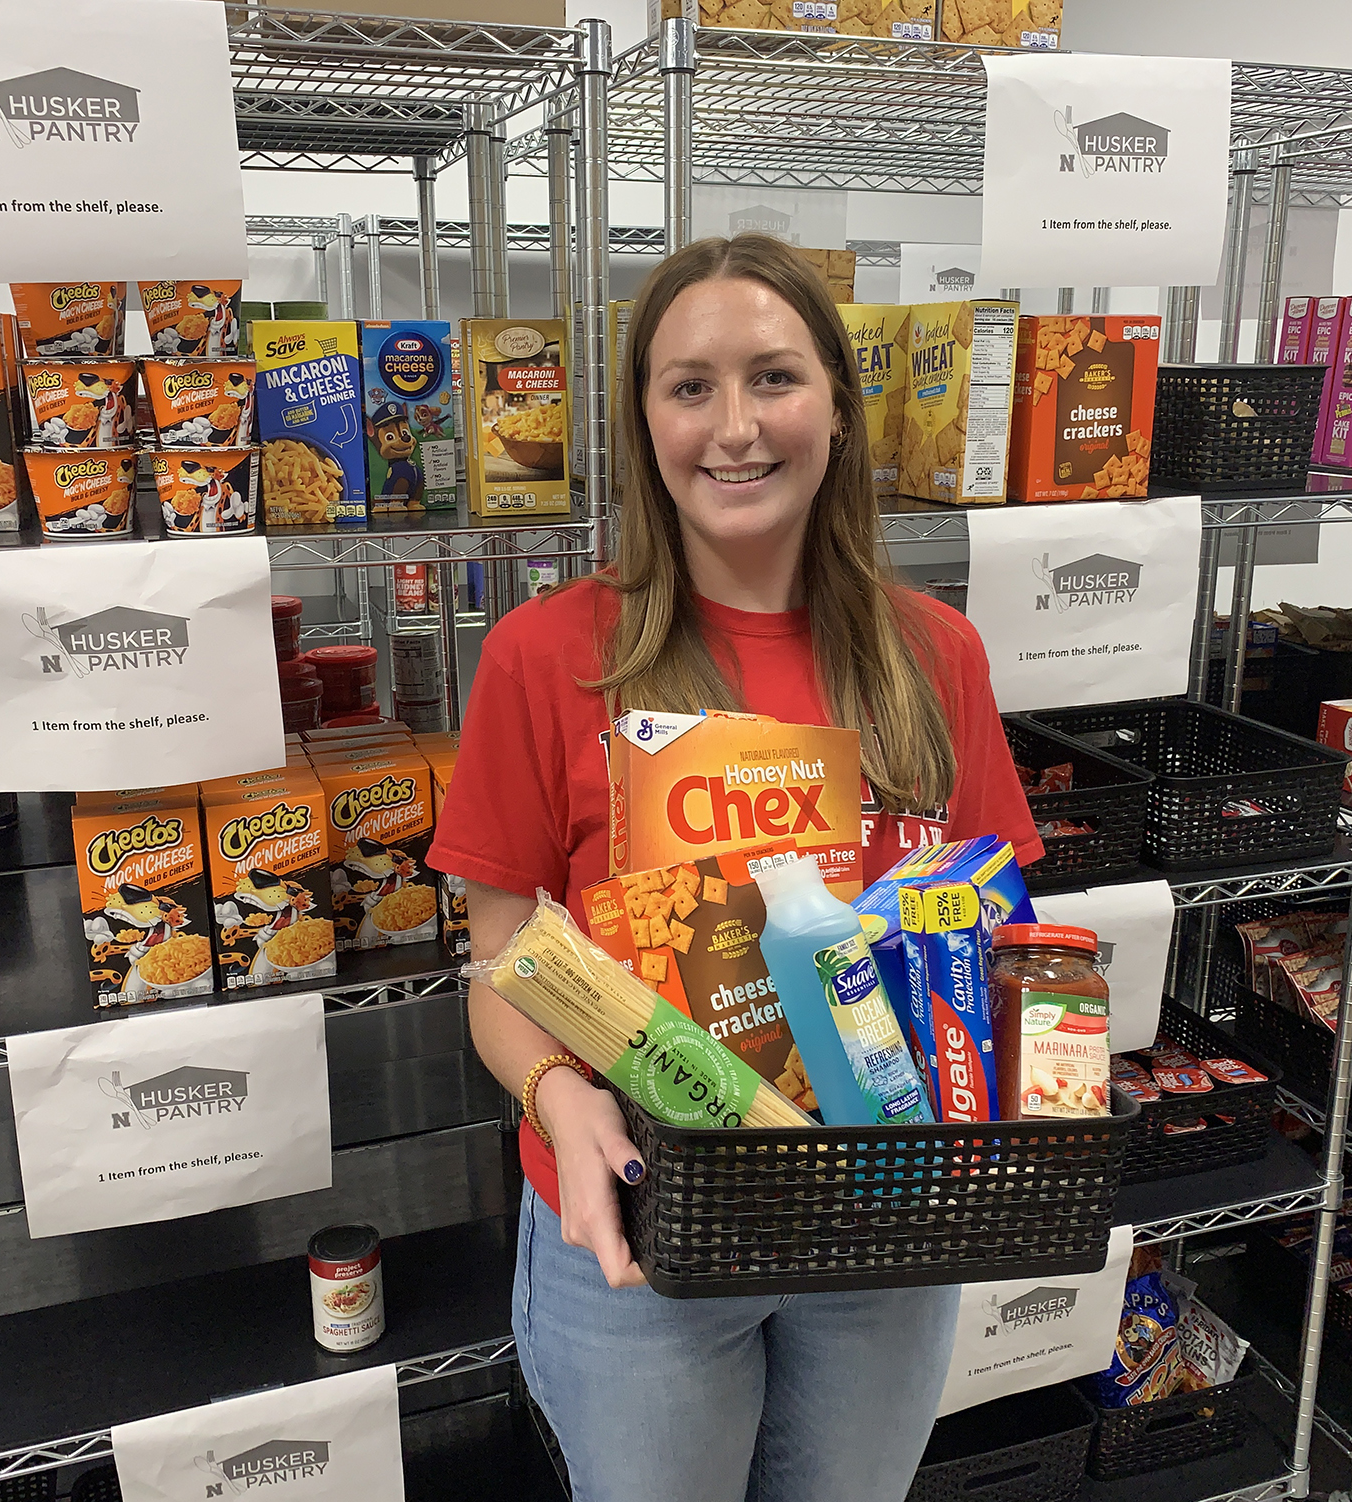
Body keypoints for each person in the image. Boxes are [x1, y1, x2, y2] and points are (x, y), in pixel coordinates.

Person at [428, 234, 1042, 1502]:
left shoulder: (937, 656)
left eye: (772, 377)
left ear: (836, 405)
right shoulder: (546, 659)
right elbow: (501, 965)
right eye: (688, 385)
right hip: (646, 1233)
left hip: (881, 1224)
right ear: (642, 421)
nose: (734, 427)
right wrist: (560, 1096)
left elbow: (999, 938)